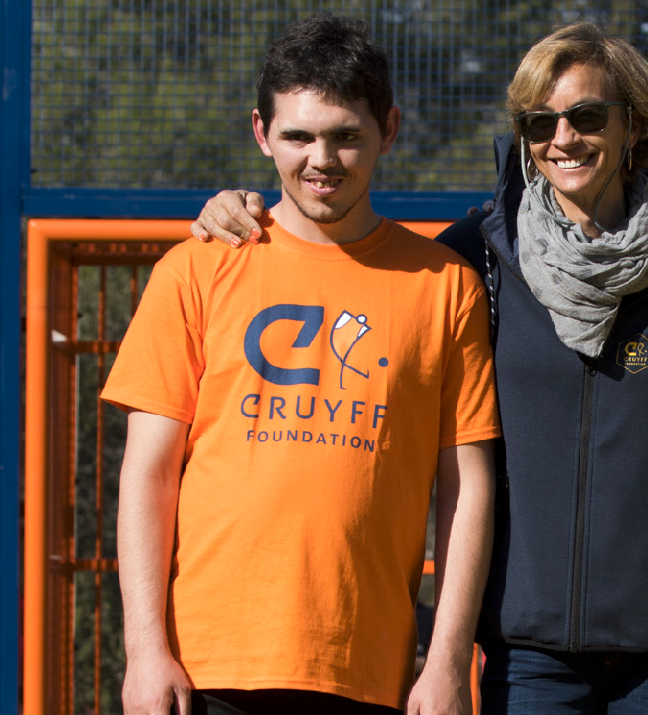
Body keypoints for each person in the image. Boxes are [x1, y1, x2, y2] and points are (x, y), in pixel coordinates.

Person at [188, 22, 648, 715]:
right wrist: (240, 207)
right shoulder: (476, 259)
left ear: (634, 125)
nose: (563, 137)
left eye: (587, 115)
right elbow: (344, 260)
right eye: (540, 122)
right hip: (527, 643)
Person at [105, 15, 500, 715]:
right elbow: (149, 470)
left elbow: (464, 488)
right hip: (206, 665)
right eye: (299, 135)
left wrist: (446, 660)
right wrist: (144, 648)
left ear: (390, 129)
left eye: (347, 134)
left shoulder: (445, 285)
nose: (322, 158)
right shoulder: (197, 268)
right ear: (262, 132)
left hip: (369, 669)